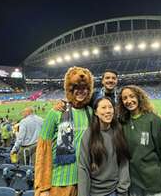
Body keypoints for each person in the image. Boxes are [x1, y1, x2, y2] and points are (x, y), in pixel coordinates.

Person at [34, 66, 94, 196]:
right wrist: (43, 187)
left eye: (84, 88)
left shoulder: (90, 113)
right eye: (76, 88)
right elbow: (43, 151)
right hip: (58, 182)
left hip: (83, 182)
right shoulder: (56, 113)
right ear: (70, 89)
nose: (80, 92)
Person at [118, 85, 161, 196]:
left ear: (139, 97)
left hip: (153, 186)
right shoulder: (123, 123)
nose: (129, 101)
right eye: (125, 98)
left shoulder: (154, 121)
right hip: (133, 185)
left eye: (132, 96)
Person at [78, 97, 130, 196]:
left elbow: (124, 162)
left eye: (110, 107)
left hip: (115, 191)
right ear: (96, 112)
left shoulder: (118, 131)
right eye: (103, 107)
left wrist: (122, 189)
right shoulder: (89, 134)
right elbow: (83, 167)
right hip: (95, 193)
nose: (108, 111)